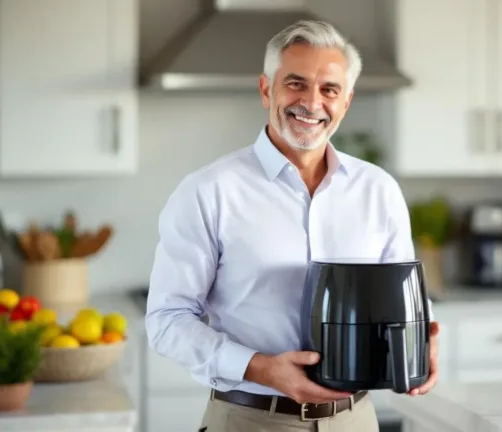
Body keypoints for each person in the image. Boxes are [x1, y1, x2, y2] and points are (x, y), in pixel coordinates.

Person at [145, 19, 440, 431]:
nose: (312, 102)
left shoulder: (379, 190)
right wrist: (261, 368)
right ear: (267, 89)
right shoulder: (209, 191)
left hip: (354, 421)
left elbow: (403, 296)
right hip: (249, 419)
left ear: (346, 101)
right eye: (296, 84)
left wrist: (420, 339)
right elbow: (167, 320)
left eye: (329, 90)